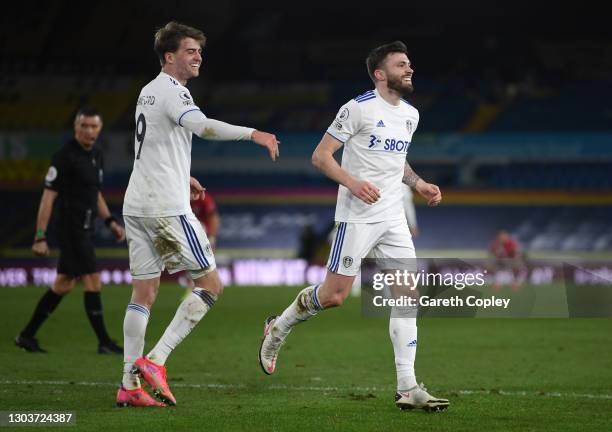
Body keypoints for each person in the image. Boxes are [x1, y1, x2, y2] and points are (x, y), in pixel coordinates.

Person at [258, 41, 450, 412]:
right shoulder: (357, 109)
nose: (409, 69)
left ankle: (407, 387)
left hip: (393, 216)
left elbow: (398, 161)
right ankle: (278, 327)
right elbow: (321, 156)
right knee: (334, 296)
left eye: (410, 63)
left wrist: (418, 183)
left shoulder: (410, 115)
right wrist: (352, 182)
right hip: (357, 216)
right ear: (380, 74)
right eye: (401, 64)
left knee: (407, 297)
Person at [116, 21, 279, 408]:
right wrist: (253, 133)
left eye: (199, 51)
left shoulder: (148, 91)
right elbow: (203, 127)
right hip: (166, 208)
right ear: (169, 56)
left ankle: (128, 385)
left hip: (137, 202)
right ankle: (156, 360)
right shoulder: (174, 92)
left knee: (144, 292)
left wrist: (181, 173)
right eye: (190, 51)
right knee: (210, 285)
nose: (198, 56)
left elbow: (153, 144)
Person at [15, 107, 126, 354]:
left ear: (100, 129)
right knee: (93, 280)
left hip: (86, 228)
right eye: (84, 126)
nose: (89, 131)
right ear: (76, 128)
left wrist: (110, 222)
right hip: (70, 228)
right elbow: (47, 198)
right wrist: (40, 236)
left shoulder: (97, 155)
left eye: (93, 126)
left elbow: (94, 194)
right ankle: (104, 342)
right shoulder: (64, 157)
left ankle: (26, 335)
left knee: (63, 284)